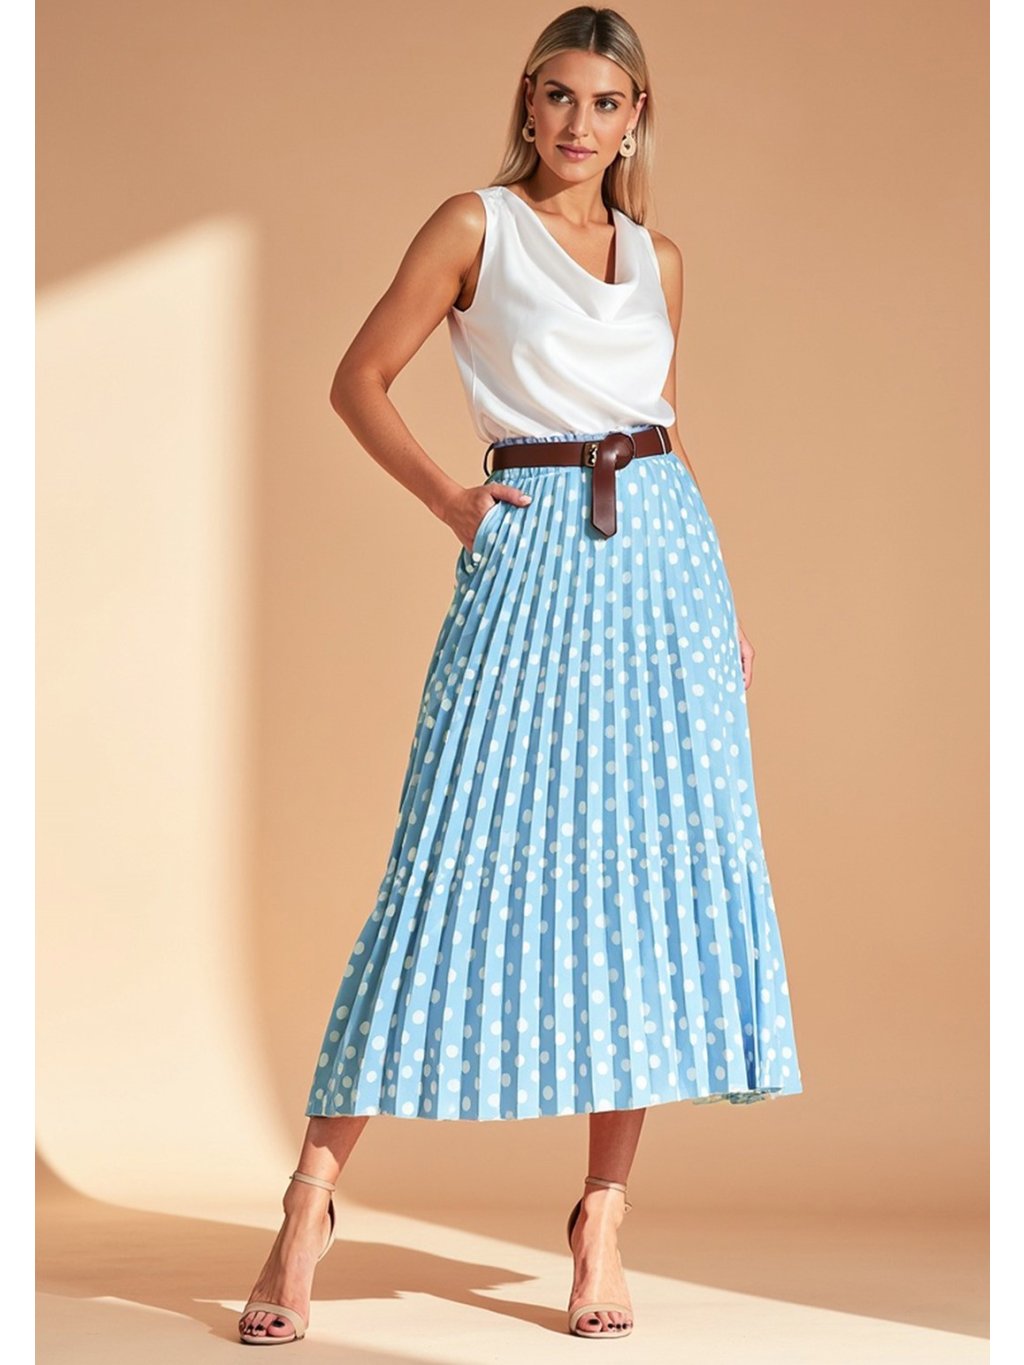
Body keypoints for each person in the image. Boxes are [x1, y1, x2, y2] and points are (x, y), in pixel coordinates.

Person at [238, 4, 803, 1347]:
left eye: (607, 102)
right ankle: (309, 1202)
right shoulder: (472, 226)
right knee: (443, 861)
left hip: (664, 566)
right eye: (558, 95)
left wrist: (715, 599)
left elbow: (661, 426)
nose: (577, 123)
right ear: (527, 100)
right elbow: (357, 379)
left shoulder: (659, 257)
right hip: (532, 549)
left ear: (636, 118)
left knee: (647, 879)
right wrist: (452, 499)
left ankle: (602, 1216)